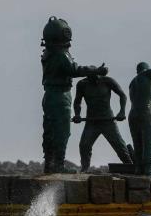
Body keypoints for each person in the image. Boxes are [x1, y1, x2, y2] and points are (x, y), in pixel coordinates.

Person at [40, 17, 108, 173]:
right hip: (60, 95)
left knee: (50, 130)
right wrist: (95, 70)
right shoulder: (61, 55)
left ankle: (49, 164)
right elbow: (74, 69)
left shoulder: (48, 53)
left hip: (50, 95)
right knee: (62, 131)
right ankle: (58, 165)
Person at [72, 73, 134, 171]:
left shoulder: (108, 81)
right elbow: (77, 101)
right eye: (93, 79)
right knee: (84, 145)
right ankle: (85, 168)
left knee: (119, 146)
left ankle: (130, 166)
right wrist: (77, 114)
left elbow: (122, 95)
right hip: (92, 122)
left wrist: (121, 111)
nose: (96, 81)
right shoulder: (82, 84)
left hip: (107, 121)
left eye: (98, 78)